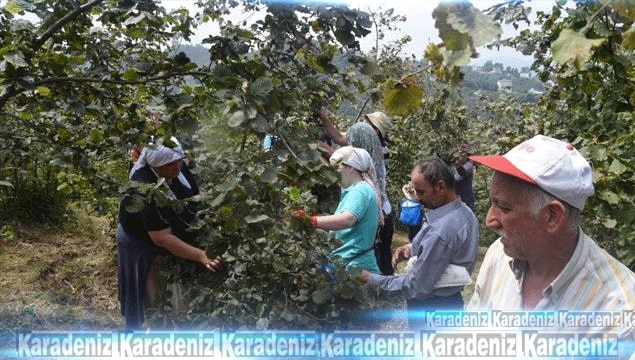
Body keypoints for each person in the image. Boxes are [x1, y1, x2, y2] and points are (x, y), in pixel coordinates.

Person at [467, 135, 635, 316]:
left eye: (504, 208)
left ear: (553, 216)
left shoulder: (619, 311)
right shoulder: (498, 255)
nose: (489, 220)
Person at [117, 137, 224, 329]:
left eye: (180, 161)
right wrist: (200, 255)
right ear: (157, 166)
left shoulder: (177, 167)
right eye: (172, 164)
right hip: (142, 245)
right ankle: (157, 331)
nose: (178, 167)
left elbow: (193, 196)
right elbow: (162, 238)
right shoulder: (143, 188)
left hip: (167, 233)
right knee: (156, 294)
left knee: (177, 291)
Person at [359, 157, 479, 319]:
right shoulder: (465, 213)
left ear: (440, 187)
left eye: (422, 192)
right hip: (451, 302)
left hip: (431, 308)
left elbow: (416, 286)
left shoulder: (442, 232)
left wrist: (371, 278)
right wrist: (410, 249)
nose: (418, 197)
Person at [319, 109, 395, 275]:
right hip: (380, 212)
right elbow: (339, 139)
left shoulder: (373, 160)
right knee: (380, 260)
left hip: (381, 215)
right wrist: (324, 119)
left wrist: (322, 148)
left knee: (379, 260)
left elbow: (347, 219)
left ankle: (385, 291)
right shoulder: (365, 147)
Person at [297, 146, 381, 274]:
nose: (333, 171)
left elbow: (347, 219)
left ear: (350, 167)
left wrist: (311, 221)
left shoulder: (360, 190)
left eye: (336, 166)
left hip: (355, 267)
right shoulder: (351, 191)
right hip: (349, 264)